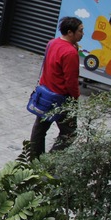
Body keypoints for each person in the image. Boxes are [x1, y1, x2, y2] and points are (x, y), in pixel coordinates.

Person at [29, 16, 84, 156]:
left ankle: (35, 160)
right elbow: (71, 80)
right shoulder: (70, 53)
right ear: (70, 32)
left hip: (45, 94)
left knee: (40, 129)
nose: (82, 34)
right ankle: (50, 162)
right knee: (69, 133)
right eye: (80, 31)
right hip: (61, 98)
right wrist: (75, 98)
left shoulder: (52, 43)